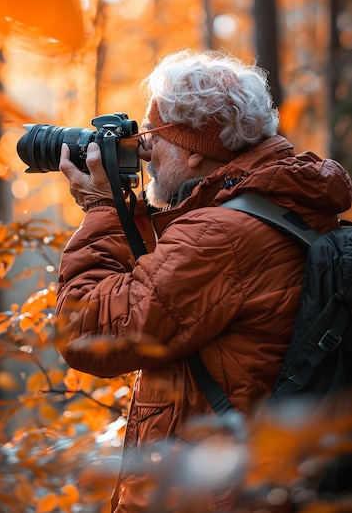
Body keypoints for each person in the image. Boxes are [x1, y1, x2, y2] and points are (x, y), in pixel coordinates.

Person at [56, 49, 352, 512]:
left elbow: (90, 333)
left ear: (196, 153)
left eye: (154, 136)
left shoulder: (219, 236)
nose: (145, 150)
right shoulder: (280, 207)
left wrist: (101, 210)